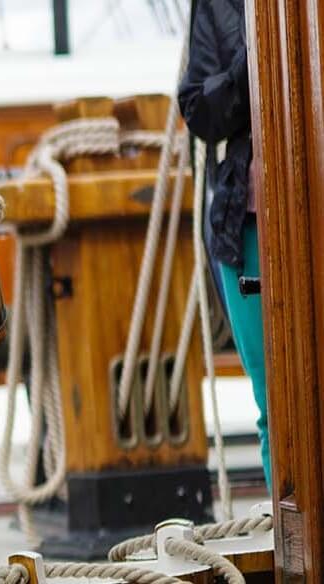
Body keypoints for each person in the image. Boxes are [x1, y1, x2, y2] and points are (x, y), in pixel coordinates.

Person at [178, 0, 269, 488]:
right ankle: (297, 558)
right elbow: (198, 109)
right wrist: (250, 64)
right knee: (274, 403)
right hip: (246, 225)